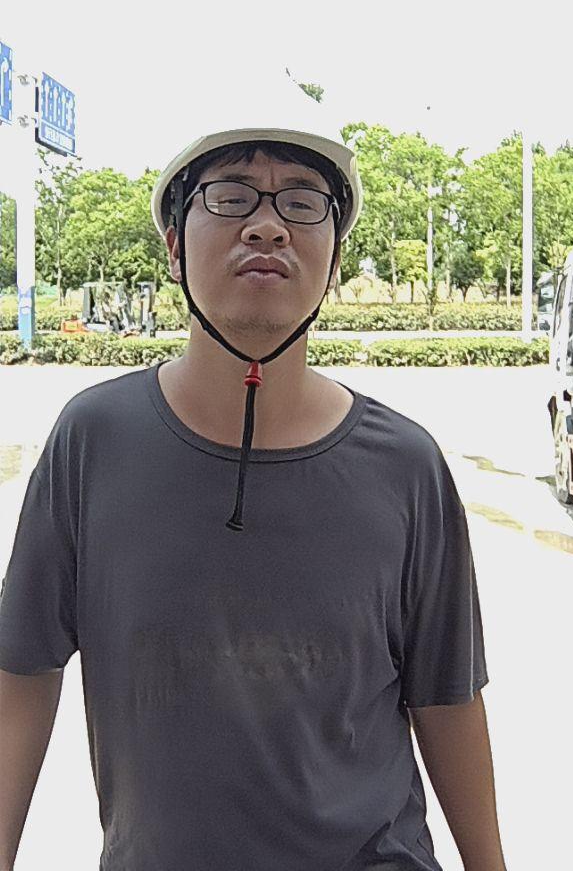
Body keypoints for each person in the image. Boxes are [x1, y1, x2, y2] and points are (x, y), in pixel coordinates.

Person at [0, 79, 506, 871]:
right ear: (174, 245)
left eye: (303, 202)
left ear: (334, 260)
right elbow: (22, 671)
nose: (268, 225)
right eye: (231, 195)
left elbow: (447, 698)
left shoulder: (407, 467)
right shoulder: (93, 441)